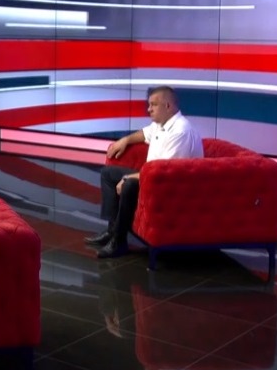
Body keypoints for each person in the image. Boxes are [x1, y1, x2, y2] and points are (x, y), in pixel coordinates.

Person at [86, 86, 204, 259]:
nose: (149, 109)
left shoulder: (180, 131)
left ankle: (119, 242)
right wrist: (125, 140)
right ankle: (112, 231)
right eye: (149, 105)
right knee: (108, 174)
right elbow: (144, 133)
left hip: (172, 188)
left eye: (153, 105)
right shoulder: (161, 123)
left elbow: (164, 171)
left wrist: (128, 177)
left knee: (129, 184)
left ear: (168, 106)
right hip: (154, 177)